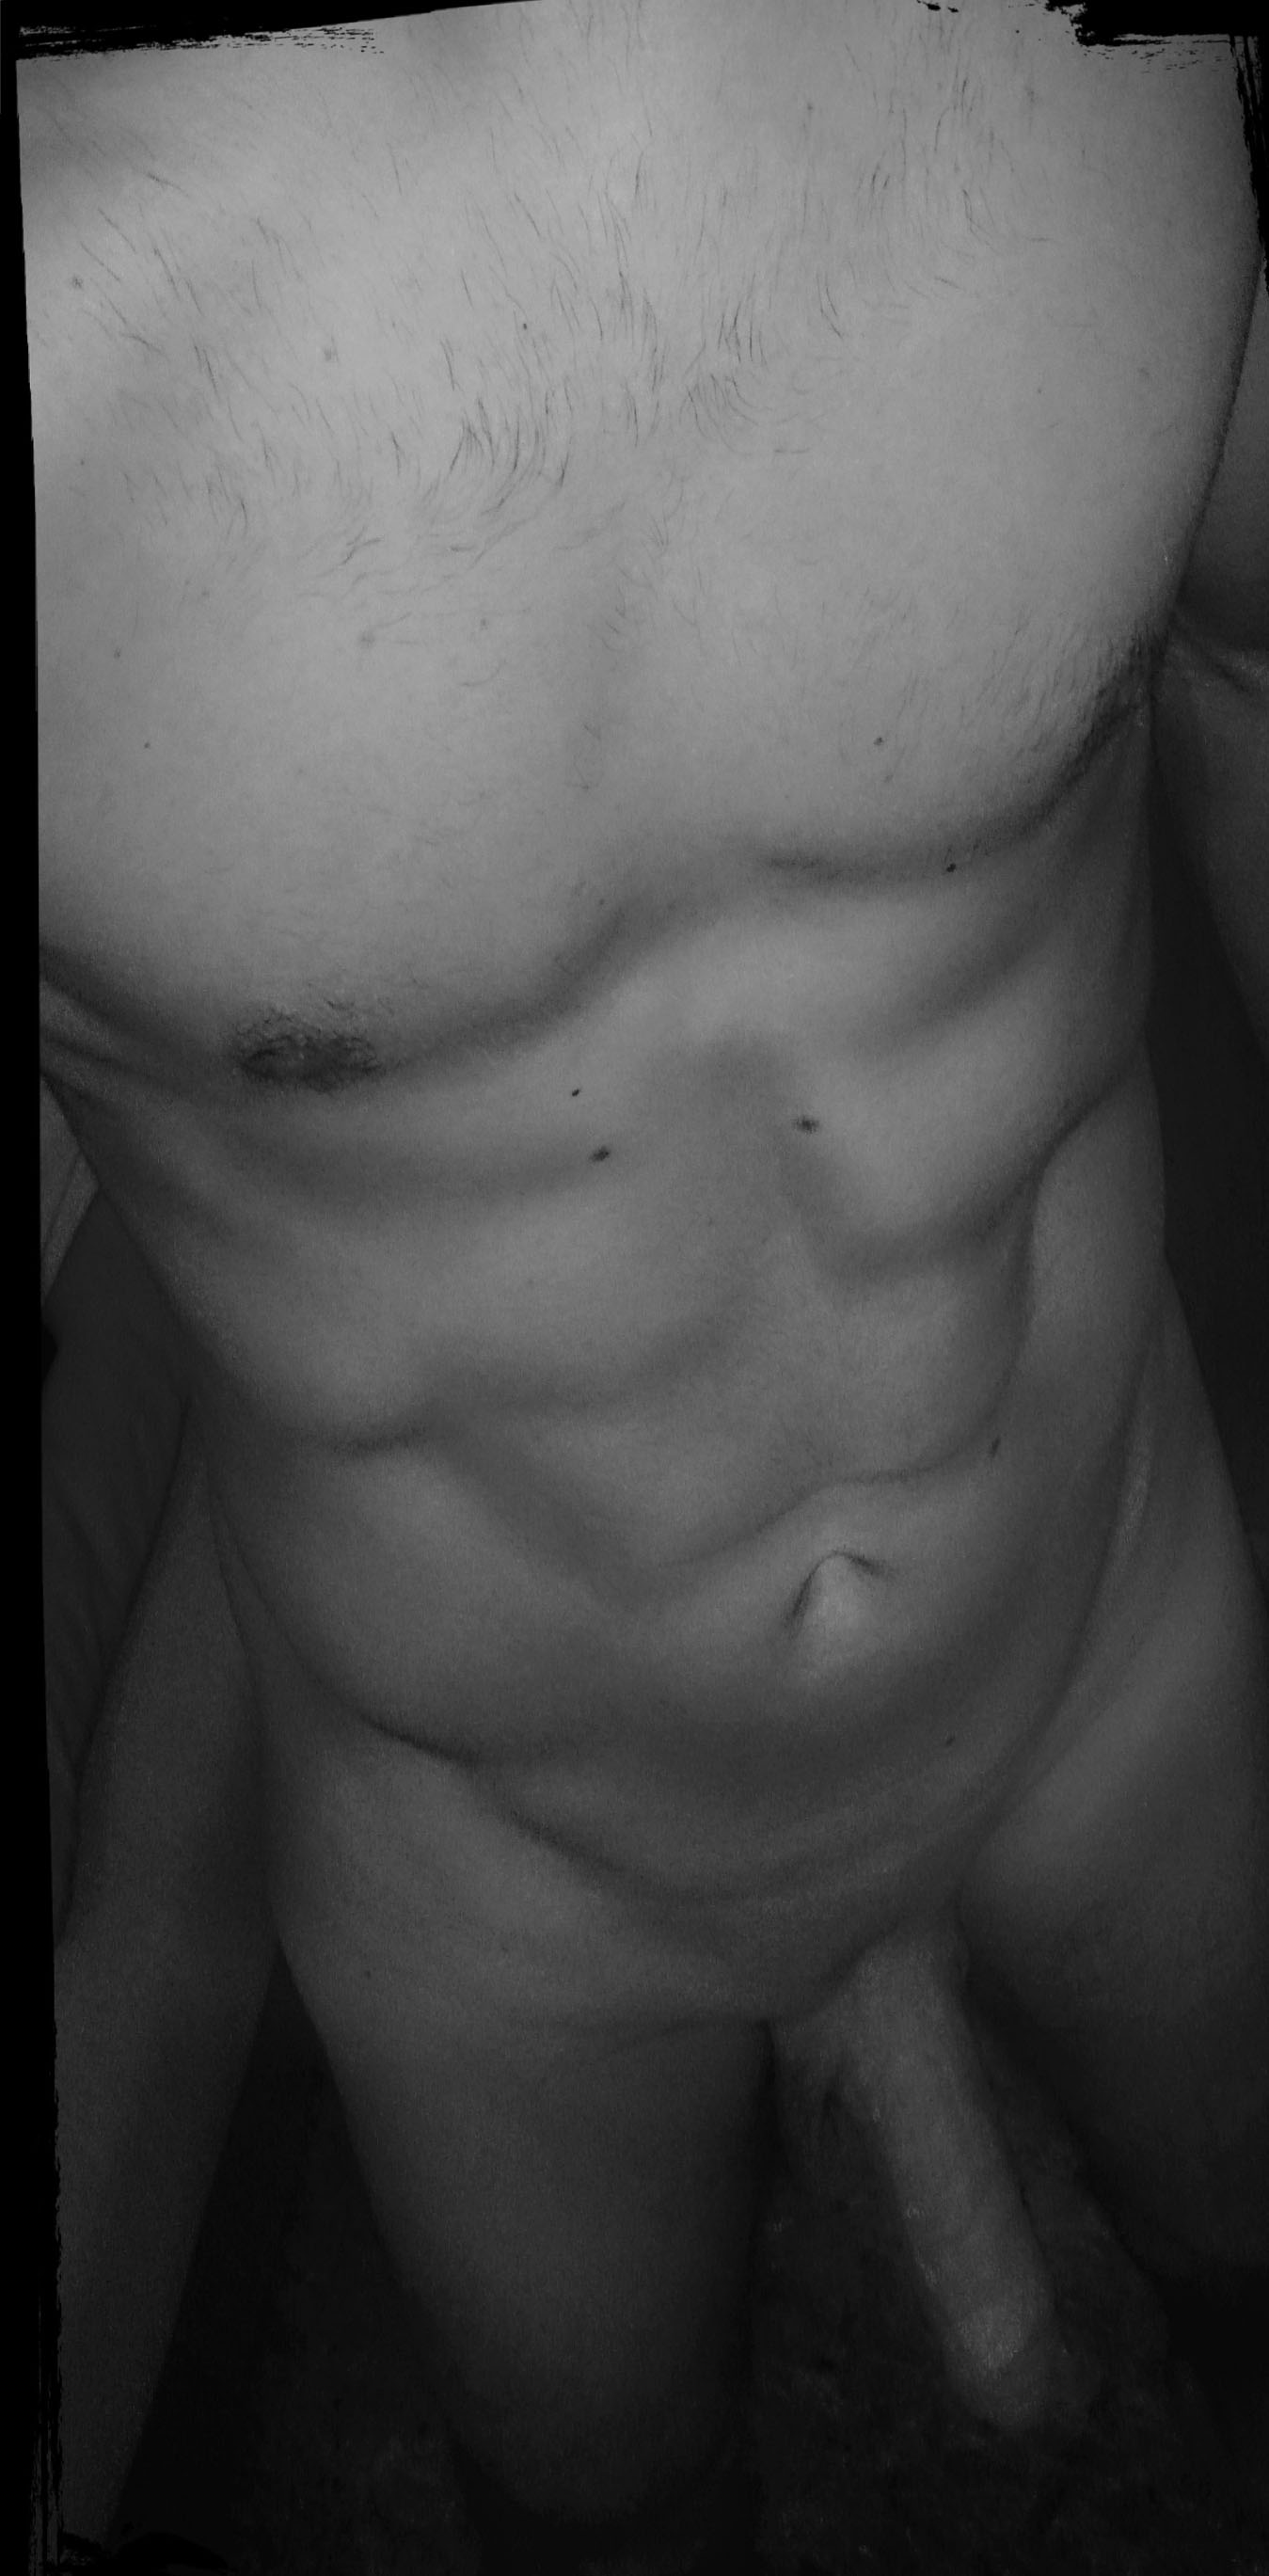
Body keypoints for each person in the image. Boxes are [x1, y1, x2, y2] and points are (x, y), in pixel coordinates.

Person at [25, 8, 1269, 2568]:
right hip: (510, 1889)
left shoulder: (1118, 71)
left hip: (1110, 1637)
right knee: (611, 2523)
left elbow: (1258, 669)